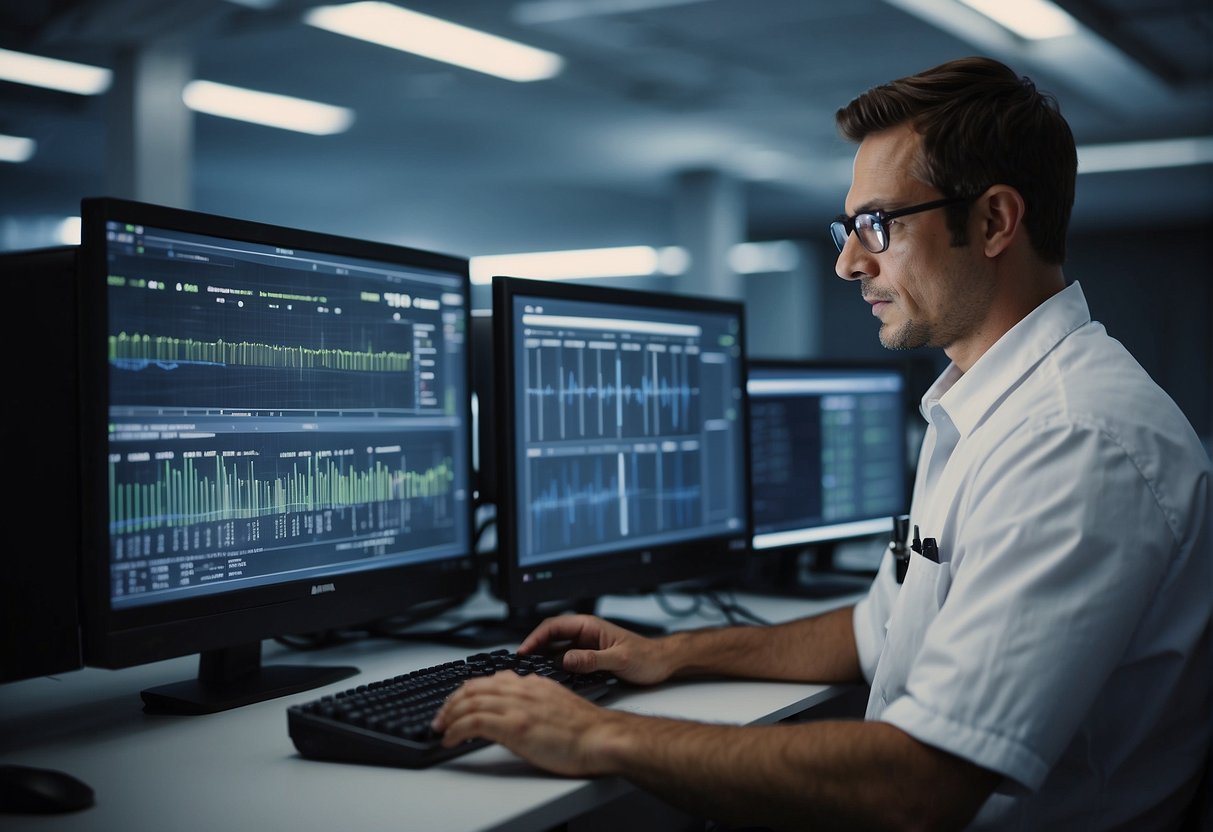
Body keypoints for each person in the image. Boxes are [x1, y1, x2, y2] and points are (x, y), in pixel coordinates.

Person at [434, 56, 1212, 831]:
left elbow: (920, 787)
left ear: (992, 222)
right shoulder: (987, 411)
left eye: (879, 224)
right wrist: (672, 654)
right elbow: (872, 630)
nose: (848, 261)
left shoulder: (1072, 441)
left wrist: (597, 732)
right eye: (849, 228)